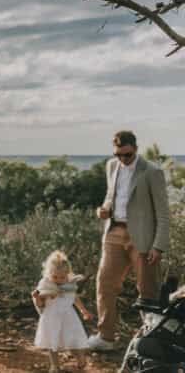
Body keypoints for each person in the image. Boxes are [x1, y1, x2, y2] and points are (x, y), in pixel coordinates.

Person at [89, 129, 171, 350]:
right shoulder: (111, 166)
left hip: (143, 239)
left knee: (148, 292)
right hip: (114, 233)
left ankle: (150, 344)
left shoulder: (152, 171)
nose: (122, 159)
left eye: (126, 155)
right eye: (118, 155)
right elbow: (110, 196)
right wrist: (104, 209)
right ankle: (106, 337)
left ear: (135, 148)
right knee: (105, 284)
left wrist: (158, 246)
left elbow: (163, 213)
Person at [32, 250, 90, 372]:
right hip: (50, 317)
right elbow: (40, 304)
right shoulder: (45, 285)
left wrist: (83, 310)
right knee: (51, 343)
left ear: (67, 274)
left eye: (62, 277)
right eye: (55, 277)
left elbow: (74, 298)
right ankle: (55, 366)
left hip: (68, 317)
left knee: (72, 340)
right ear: (49, 273)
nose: (58, 280)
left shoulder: (70, 284)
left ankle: (80, 357)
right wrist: (37, 298)